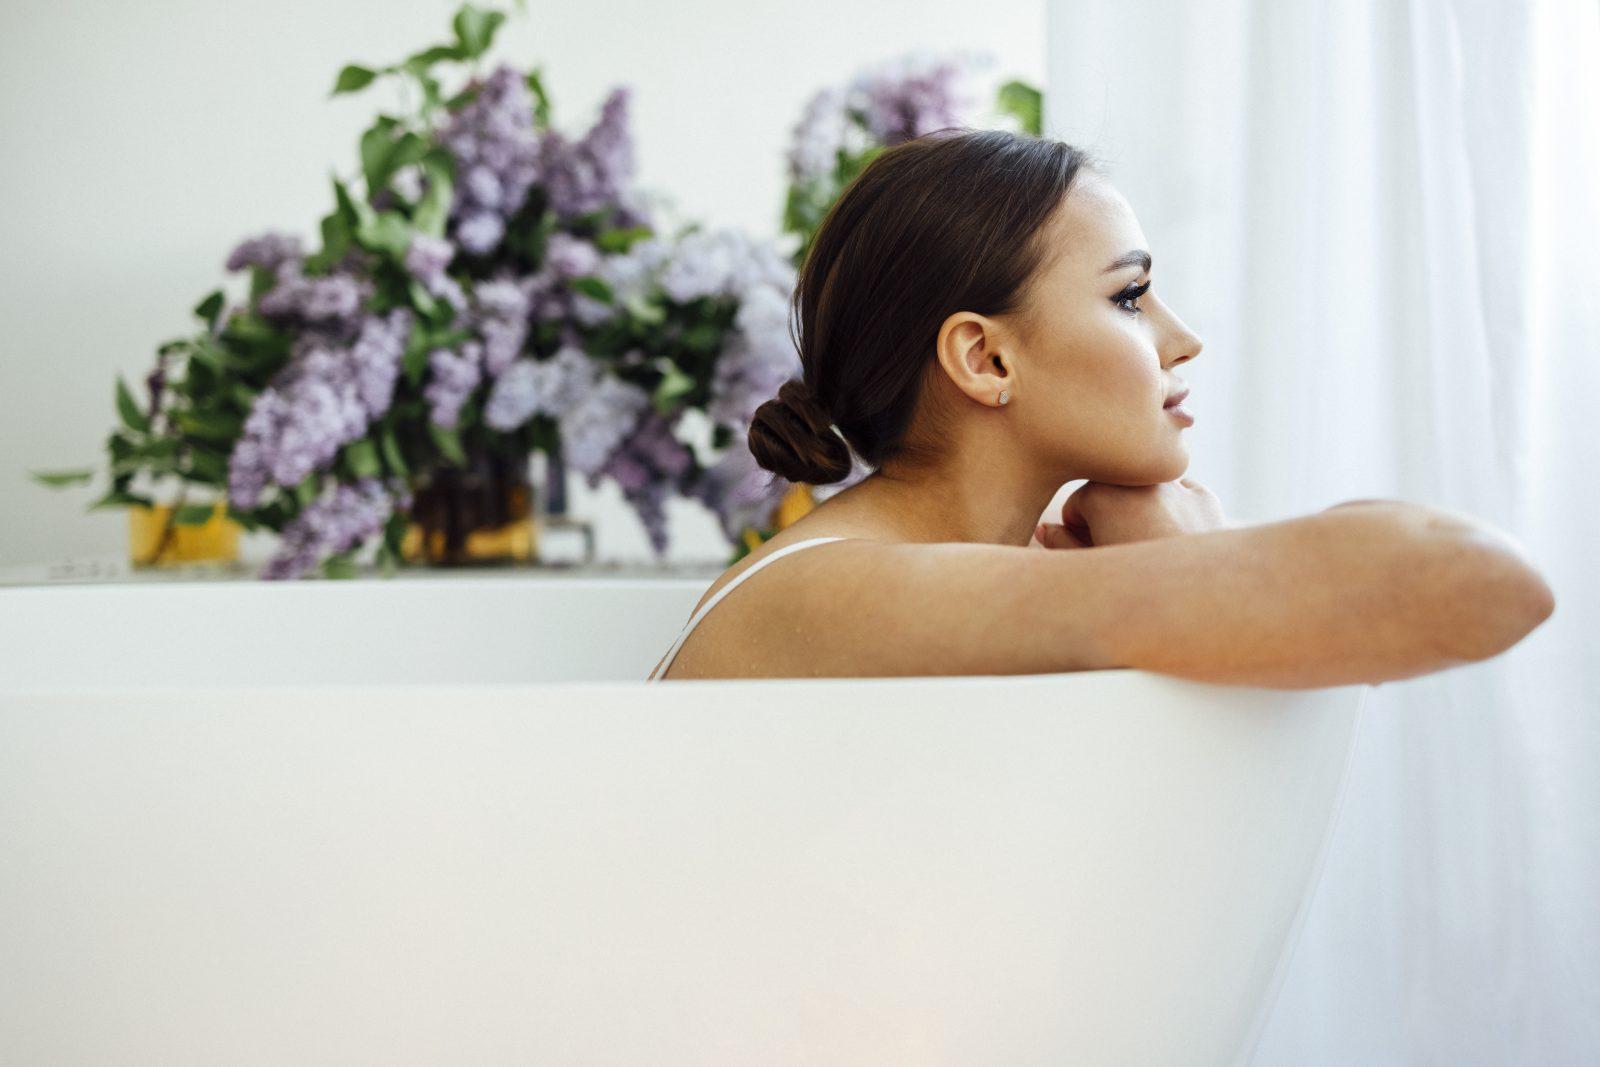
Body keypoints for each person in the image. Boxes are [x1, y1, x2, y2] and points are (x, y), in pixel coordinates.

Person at [647, 128, 1554, 685]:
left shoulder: (965, 564)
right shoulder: (838, 588)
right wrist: (1188, 553)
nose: (1183, 336)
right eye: (1130, 296)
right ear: (986, 356)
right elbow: (1481, 584)